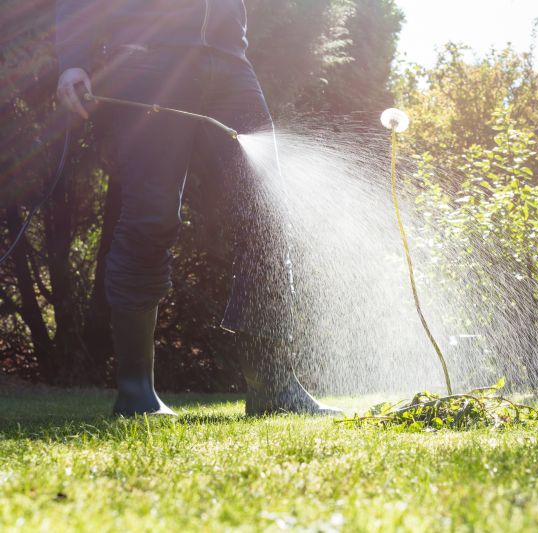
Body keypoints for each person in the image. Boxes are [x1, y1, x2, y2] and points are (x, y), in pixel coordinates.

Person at [55, 0, 339, 416]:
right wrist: (72, 58)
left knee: (268, 214)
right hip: (149, 57)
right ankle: (136, 394)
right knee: (151, 218)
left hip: (230, 62)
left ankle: (273, 388)